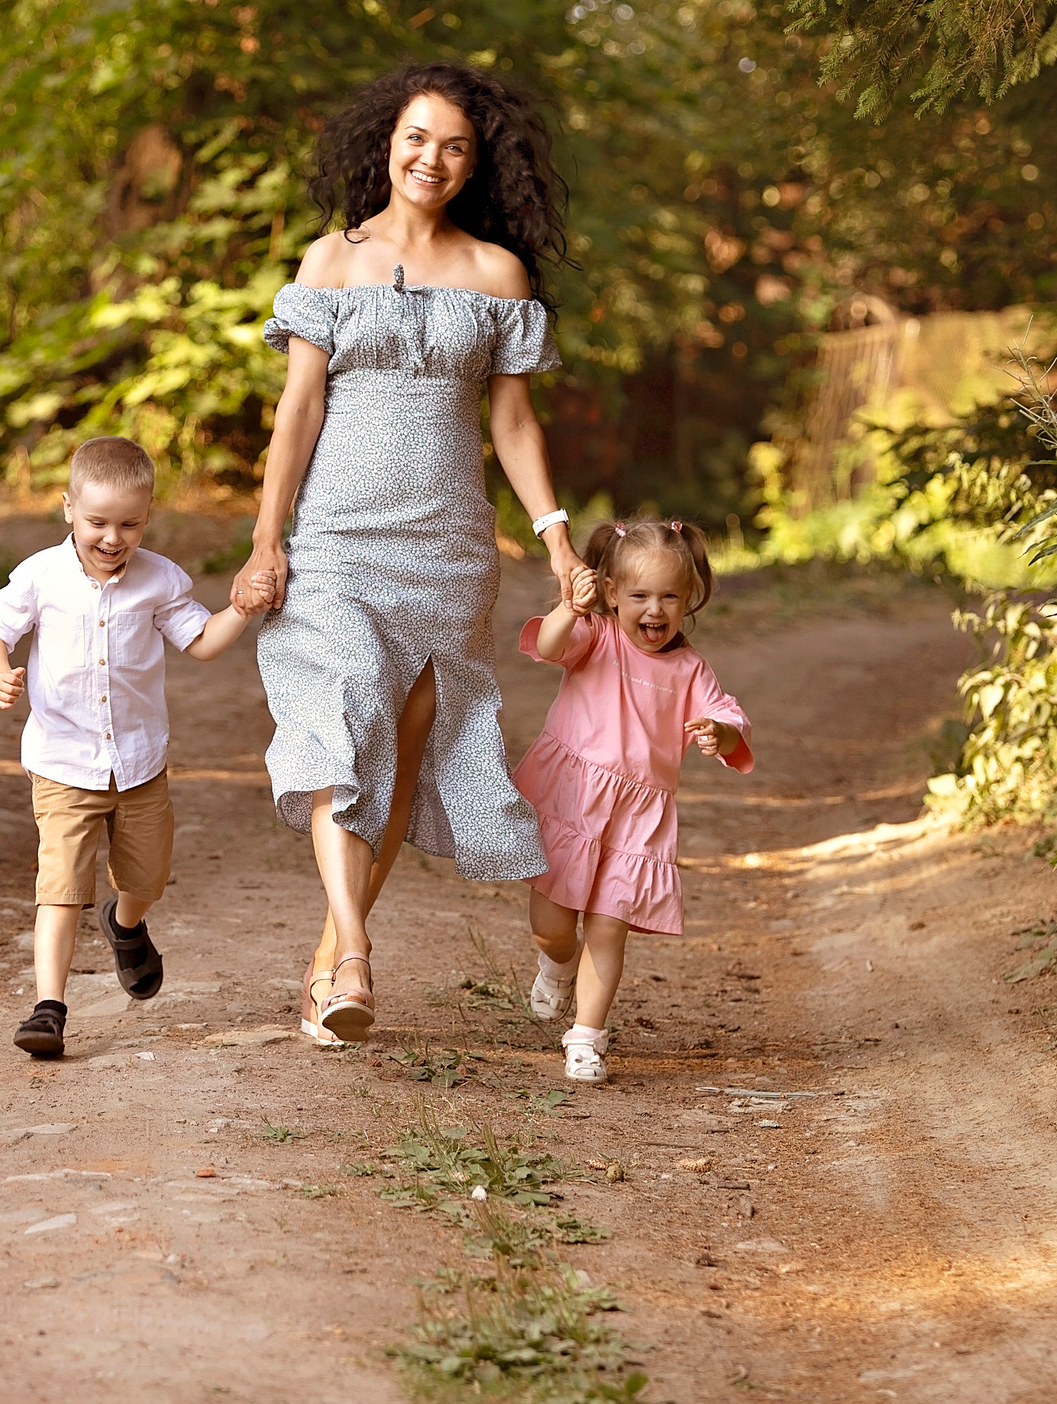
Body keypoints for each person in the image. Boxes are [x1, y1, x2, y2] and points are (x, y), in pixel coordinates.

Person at [237, 62, 585, 1046]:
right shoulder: (329, 261)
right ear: (387, 144)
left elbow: (513, 425)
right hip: (338, 541)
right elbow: (297, 411)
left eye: (454, 146)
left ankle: (328, 964)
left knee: (392, 755)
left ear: (475, 165)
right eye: (417, 137)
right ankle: (356, 953)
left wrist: (557, 538)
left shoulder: (497, 275)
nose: (432, 158)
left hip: (447, 548)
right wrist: (268, 539)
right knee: (344, 720)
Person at [0, 435, 273, 1058]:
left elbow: (201, 642)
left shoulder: (158, 580)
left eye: (130, 525)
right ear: (68, 509)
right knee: (59, 887)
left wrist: (241, 610)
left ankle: (125, 922)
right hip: (62, 762)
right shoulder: (41, 576)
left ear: (147, 516)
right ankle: (49, 1009)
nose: (113, 538)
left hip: (138, 763)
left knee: (147, 878)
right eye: (97, 523)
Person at [517, 518, 752, 1084]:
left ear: (688, 598)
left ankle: (586, 1036)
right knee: (552, 926)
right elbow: (548, 646)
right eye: (641, 595)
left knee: (608, 925)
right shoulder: (596, 636)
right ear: (612, 591)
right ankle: (558, 962)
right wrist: (569, 609)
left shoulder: (690, 669)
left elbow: (728, 717)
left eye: (670, 596)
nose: (655, 609)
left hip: (637, 820)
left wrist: (720, 733)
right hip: (574, 801)